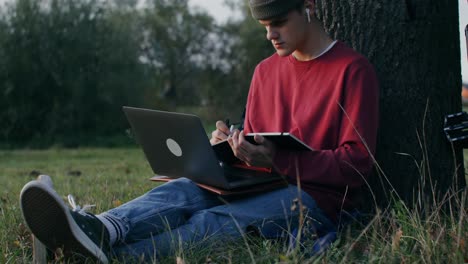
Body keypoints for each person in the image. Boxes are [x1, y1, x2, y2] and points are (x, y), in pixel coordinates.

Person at [19, 0, 379, 262]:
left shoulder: (352, 70)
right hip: (256, 180)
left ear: (309, 7)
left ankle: (100, 258)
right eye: (263, 26)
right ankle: (97, 229)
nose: (270, 33)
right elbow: (257, 140)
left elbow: (357, 164)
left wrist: (280, 159)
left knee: (212, 219)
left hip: (314, 199)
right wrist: (229, 146)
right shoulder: (266, 71)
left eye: (279, 22)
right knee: (182, 192)